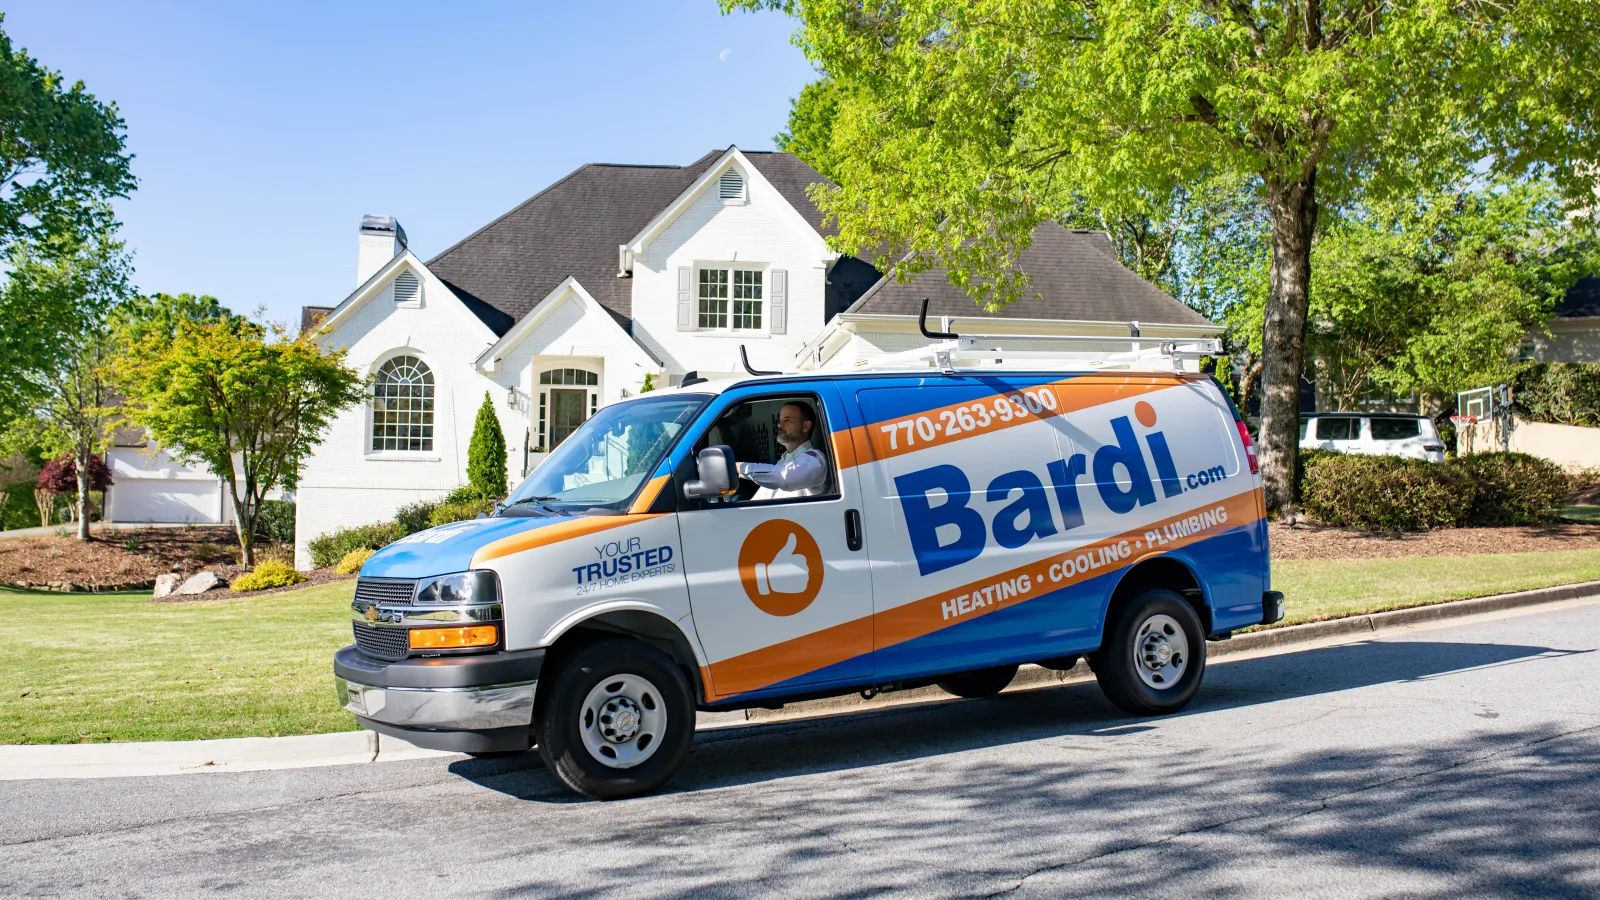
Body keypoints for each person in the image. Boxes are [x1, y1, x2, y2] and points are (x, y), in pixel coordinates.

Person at [737, 401, 828, 499]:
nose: (779, 425)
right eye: (780, 420)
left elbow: (784, 477)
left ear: (805, 426)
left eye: (787, 420)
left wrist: (739, 468)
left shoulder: (816, 460)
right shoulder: (784, 461)